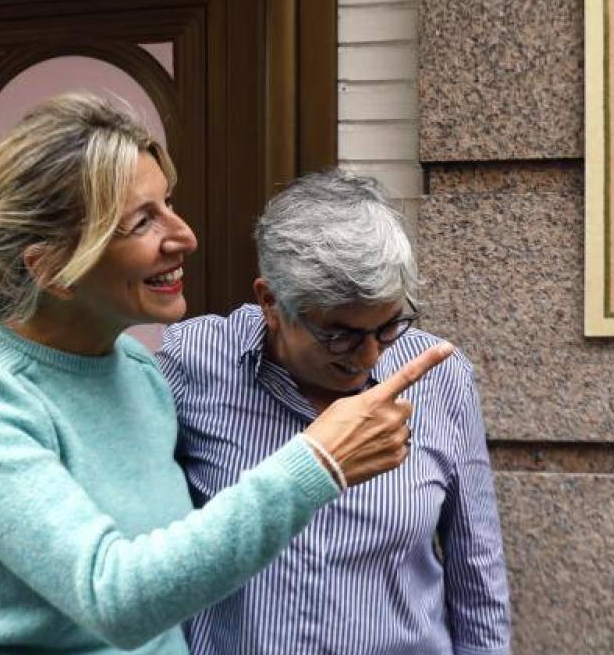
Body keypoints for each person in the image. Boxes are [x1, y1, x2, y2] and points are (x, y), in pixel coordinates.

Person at [0, 93, 452, 655]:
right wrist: (318, 461)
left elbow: (175, 585)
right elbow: (114, 597)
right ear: (53, 267)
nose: (183, 235)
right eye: (143, 220)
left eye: (169, 203)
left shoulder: (139, 372)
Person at [155, 170, 512, 655]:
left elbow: (477, 571)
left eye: (388, 327)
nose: (368, 355)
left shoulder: (439, 377)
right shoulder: (191, 363)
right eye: (340, 335)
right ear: (270, 302)